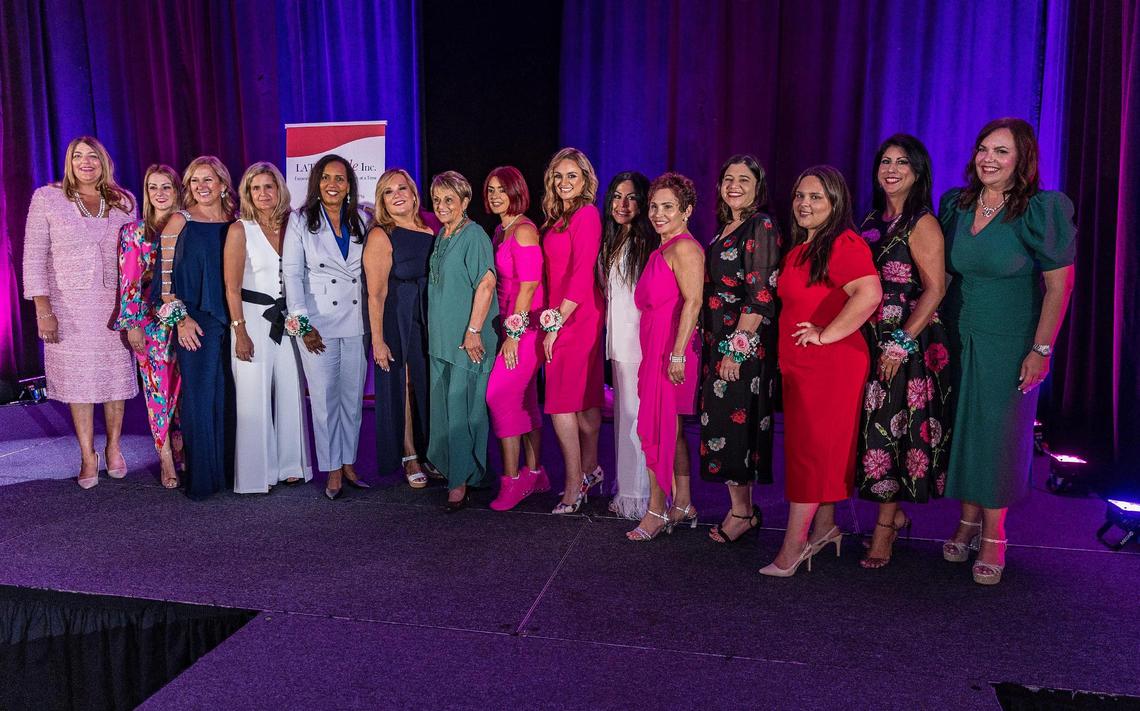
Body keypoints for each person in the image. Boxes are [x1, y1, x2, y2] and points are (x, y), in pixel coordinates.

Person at [939, 118, 1076, 585]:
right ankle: (967, 519)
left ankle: (995, 532)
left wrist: (1041, 349)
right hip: (962, 334)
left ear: (1022, 161)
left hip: (1012, 338)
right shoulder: (955, 205)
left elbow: (1059, 287)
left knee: (999, 435)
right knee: (965, 428)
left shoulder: (1040, 209)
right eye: (983, 149)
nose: (988, 159)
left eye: (1001, 152)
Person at [762, 166, 881, 577]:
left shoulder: (843, 243)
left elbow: (870, 293)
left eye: (816, 197)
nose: (804, 204)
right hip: (805, 366)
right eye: (800, 195)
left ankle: (792, 549)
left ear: (835, 203)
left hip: (831, 365)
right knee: (815, 449)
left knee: (811, 454)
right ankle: (826, 528)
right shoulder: (802, 247)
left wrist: (826, 336)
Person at [855, 135, 951, 568]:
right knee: (876, 427)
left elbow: (935, 290)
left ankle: (885, 528)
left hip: (906, 341)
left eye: (902, 163)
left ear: (917, 172)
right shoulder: (873, 220)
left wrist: (900, 342)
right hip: (872, 336)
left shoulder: (922, 222)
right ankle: (893, 515)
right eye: (885, 161)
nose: (892, 169)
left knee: (890, 432)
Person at [23, 136, 137, 488]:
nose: (86, 162)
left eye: (93, 156)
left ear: (104, 162)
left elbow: (135, 256)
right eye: (78, 157)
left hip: (115, 304)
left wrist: (134, 306)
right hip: (67, 307)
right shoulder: (48, 198)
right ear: (69, 163)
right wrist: (43, 309)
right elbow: (33, 256)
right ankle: (88, 454)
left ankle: (114, 446)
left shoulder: (123, 201)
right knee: (79, 384)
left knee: (115, 379)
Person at [700, 155, 782, 544]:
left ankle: (742, 514)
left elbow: (761, 294)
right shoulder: (726, 227)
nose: (734, 185)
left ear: (758, 186)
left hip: (741, 346)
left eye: (743, 179)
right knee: (723, 426)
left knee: (735, 429)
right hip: (720, 342)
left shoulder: (760, 224)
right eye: (728, 178)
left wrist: (737, 349)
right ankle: (742, 508)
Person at [282, 154, 371, 500]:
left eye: (340, 178)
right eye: (326, 178)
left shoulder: (362, 218)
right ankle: (333, 468)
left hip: (355, 322)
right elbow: (292, 273)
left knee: (352, 398)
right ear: (316, 183)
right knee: (323, 399)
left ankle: (349, 462)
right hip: (317, 322)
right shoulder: (300, 220)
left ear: (349, 185)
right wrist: (302, 323)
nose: (333, 184)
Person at [224, 162, 312, 494]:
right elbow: (231, 287)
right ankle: (255, 474)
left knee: (291, 390)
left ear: (280, 190)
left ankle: (291, 465)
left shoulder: (295, 225)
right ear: (248, 193)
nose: (263, 193)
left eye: (269, 187)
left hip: (288, 319)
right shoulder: (239, 230)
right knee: (252, 396)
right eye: (256, 188)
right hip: (252, 319)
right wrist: (240, 331)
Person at [626, 173, 704, 541]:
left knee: (658, 430)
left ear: (686, 211)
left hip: (670, 352)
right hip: (656, 349)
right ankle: (683, 503)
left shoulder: (685, 248)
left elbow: (694, 302)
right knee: (670, 432)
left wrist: (676, 356)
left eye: (668, 207)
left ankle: (656, 509)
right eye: (654, 206)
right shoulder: (662, 248)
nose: (658, 214)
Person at [156, 156, 236, 500]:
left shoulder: (235, 223)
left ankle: (227, 473)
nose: (202, 187)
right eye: (194, 181)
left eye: (209, 180)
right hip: (196, 322)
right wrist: (181, 319)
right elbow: (163, 281)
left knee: (226, 396)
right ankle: (202, 480)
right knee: (200, 399)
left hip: (230, 320)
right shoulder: (179, 221)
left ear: (222, 184)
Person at [426, 171, 498, 512]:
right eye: (437, 200)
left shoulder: (475, 235)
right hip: (442, 340)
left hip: (468, 339)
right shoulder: (442, 234)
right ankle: (455, 468)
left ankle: (462, 479)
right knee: (444, 407)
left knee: (462, 409)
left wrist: (472, 332)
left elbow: (485, 284)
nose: (441, 206)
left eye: (449, 200)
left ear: (465, 202)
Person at [539, 148, 606, 514]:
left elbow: (581, 276)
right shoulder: (556, 218)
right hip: (563, 313)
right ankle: (590, 469)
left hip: (577, 315)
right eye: (559, 176)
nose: (565, 183)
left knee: (562, 402)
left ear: (585, 181)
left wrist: (555, 326)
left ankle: (573, 483)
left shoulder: (586, 214)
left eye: (572, 176)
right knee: (582, 398)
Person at [364, 168, 435, 488]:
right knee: (404, 386)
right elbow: (375, 293)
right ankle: (409, 456)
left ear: (414, 192)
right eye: (389, 191)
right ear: (382, 200)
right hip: (398, 318)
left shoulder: (433, 225)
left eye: (402, 188)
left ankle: (431, 451)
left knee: (428, 384)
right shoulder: (382, 234)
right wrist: (378, 340)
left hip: (430, 317)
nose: (398, 195)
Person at [114, 163, 183, 489]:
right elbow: (128, 284)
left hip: (189, 320)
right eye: (153, 187)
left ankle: (186, 444)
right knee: (159, 391)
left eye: (166, 186)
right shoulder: (134, 233)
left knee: (188, 390)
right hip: (152, 324)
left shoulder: (190, 226)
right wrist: (132, 326)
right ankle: (165, 453)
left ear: (177, 190)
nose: (160, 193)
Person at [484, 166, 549, 511]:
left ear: (517, 192)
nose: (495, 195)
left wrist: (514, 332)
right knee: (524, 399)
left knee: (499, 395)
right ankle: (536, 472)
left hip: (525, 327)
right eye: (491, 189)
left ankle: (512, 481)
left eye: (502, 190)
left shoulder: (523, 230)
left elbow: (529, 285)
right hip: (511, 325)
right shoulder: (501, 229)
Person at [600, 171, 655, 520]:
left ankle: (639, 497)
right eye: (617, 196)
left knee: (636, 419)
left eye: (631, 197)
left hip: (638, 343)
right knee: (625, 417)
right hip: (619, 342)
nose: (623, 204)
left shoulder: (644, 243)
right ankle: (629, 491)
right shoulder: (616, 238)